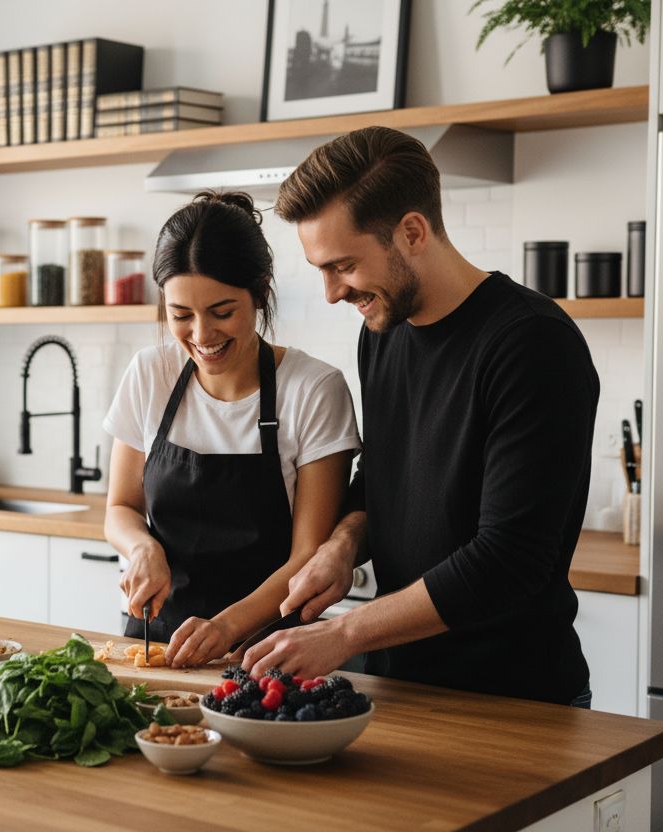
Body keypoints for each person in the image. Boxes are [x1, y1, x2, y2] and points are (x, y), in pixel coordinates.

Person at [241, 126, 598, 707]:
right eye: (321, 270)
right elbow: (386, 481)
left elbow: (510, 559)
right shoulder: (384, 333)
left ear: (412, 231)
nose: (332, 292)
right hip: (402, 687)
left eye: (344, 265)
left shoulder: (532, 345)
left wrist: (344, 632)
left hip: (514, 704)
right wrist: (343, 546)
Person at [103, 191, 362, 668]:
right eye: (181, 316)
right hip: (155, 643)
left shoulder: (313, 389)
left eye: (222, 312)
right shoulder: (149, 374)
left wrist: (225, 627)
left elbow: (308, 553)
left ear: (260, 291)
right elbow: (120, 507)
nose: (201, 336)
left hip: (268, 651)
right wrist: (142, 547)